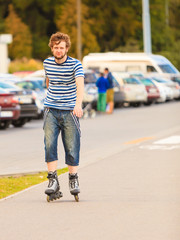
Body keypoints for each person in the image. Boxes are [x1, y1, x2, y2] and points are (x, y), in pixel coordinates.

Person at [43, 32, 84, 200]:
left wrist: (78, 104)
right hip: (51, 109)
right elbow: (48, 81)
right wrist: (48, 97)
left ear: (67, 48)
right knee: (49, 144)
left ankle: (73, 179)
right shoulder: (46, 63)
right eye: (55, 48)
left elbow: (80, 85)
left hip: (69, 110)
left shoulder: (76, 65)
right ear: (52, 48)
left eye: (61, 48)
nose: (58, 50)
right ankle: (52, 180)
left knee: (72, 146)